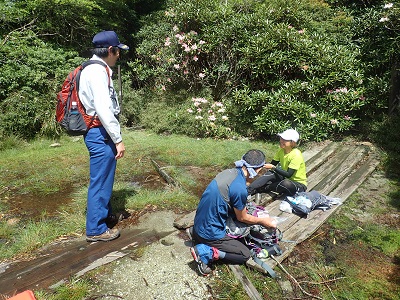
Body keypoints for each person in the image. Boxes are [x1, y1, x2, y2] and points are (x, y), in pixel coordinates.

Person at [189, 149, 277, 275]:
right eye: (260, 170)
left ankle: (199, 237)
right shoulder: (239, 189)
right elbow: (242, 218)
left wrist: (263, 165)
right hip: (209, 233)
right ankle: (207, 252)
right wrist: (263, 221)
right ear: (257, 170)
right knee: (244, 254)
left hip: (198, 224)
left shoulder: (228, 173)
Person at [79, 31, 129, 242]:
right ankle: (96, 229)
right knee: (100, 181)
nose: (118, 55)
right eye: (118, 51)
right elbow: (103, 108)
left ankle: (105, 216)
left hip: (98, 131)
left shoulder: (90, 68)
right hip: (99, 132)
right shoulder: (98, 72)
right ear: (110, 50)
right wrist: (118, 139)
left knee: (105, 177)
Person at [247, 128, 307, 197]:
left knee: (285, 184)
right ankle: (247, 191)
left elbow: (288, 174)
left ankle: (264, 188)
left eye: (284, 140)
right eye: (281, 138)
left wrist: (273, 167)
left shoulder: (296, 155)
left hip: (298, 185)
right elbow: (272, 164)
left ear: (292, 142)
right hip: (285, 179)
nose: (281, 141)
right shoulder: (281, 151)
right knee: (271, 173)